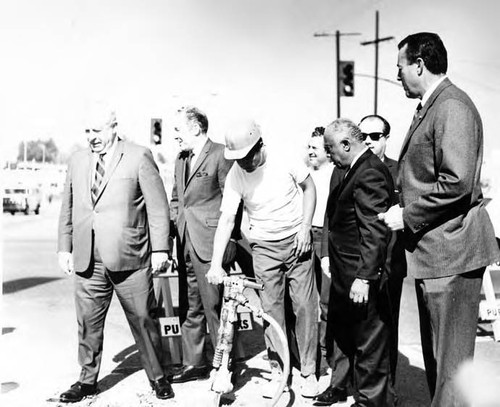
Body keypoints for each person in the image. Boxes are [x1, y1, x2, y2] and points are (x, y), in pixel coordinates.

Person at [379, 32, 500, 407]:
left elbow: (457, 182)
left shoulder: (451, 107)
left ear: (419, 64)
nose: (396, 74)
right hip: (436, 255)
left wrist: (407, 214)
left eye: (400, 66)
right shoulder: (432, 106)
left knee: (450, 369)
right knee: (439, 365)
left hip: (452, 253)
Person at [57, 102, 174, 402]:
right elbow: (68, 207)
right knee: (87, 325)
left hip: (130, 259)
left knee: (144, 320)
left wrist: (161, 249)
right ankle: (86, 382)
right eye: (87, 131)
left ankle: (158, 377)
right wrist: (64, 247)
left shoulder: (137, 156)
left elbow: (158, 207)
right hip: (88, 260)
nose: (91, 137)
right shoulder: (77, 160)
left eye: (97, 130)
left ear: (113, 128)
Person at [206, 119, 320, 399]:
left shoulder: (284, 157)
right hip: (264, 246)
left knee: (305, 307)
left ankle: (308, 372)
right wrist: (215, 263)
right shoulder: (236, 174)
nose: (243, 163)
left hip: (297, 241)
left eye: (246, 157)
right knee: (271, 311)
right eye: (237, 159)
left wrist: (305, 228)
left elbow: (310, 189)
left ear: (259, 146)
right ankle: (279, 371)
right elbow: (227, 218)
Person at [316, 118, 394, 407]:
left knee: (369, 347)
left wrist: (364, 277)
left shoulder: (369, 172)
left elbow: (374, 230)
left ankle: (371, 402)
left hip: (360, 277)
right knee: (352, 340)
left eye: (330, 148)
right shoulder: (352, 170)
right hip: (346, 274)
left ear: (346, 145)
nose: (327, 154)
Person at [169, 105, 238, 383]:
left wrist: (227, 244)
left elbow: (231, 201)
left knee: (214, 308)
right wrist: (173, 238)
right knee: (189, 305)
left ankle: (223, 367)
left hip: (211, 244)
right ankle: (193, 363)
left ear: (195, 128)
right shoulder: (180, 158)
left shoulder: (220, 154)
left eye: (178, 130)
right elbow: (177, 199)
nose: (175, 136)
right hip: (185, 242)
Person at [358, 114, 406, 391]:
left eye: (375, 137)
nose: (368, 141)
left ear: (386, 138)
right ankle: (364, 389)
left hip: (390, 264)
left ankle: (388, 390)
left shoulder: (400, 171)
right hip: (361, 264)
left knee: (388, 329)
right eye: (363, 136)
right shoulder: (354, 168)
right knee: (362, 330)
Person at [307, 126, 334, 374]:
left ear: (328, 150)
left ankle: (327, 352)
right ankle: (308, 352)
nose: (310, 152)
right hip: (307, 236)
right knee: (307, 300)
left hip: (326, 239)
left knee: (327, 300)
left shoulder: (336, 174)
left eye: (314, 148)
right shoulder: (306, 174)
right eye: (309, 147)